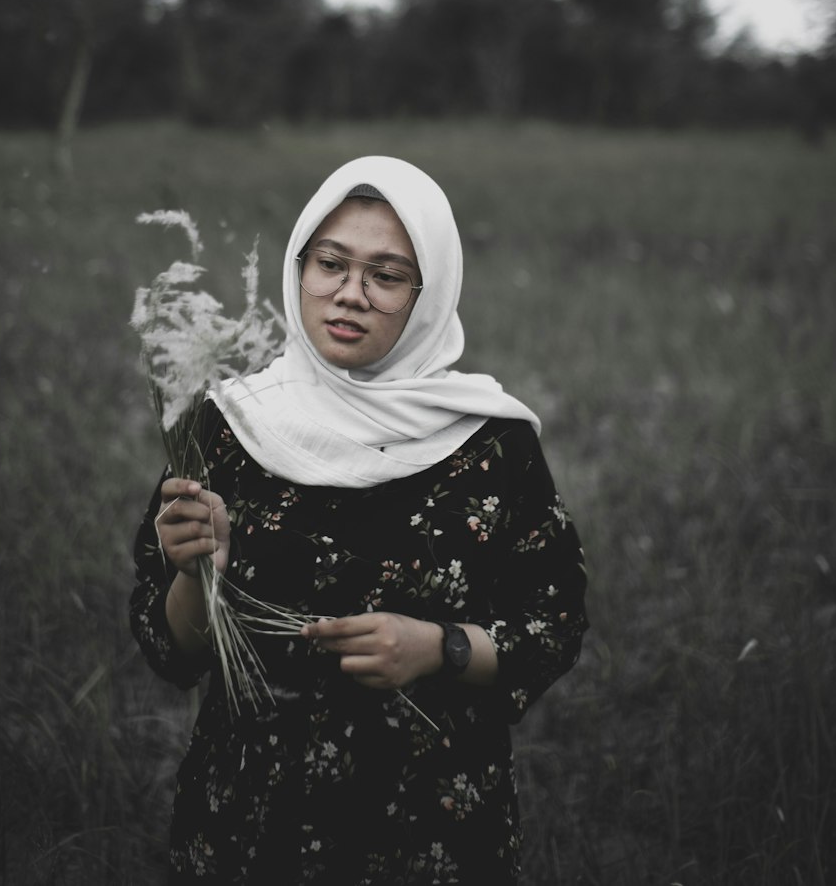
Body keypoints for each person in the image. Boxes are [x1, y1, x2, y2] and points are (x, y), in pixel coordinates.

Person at [131, 155, 587, 884]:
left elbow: (554, 622)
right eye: (331, 264)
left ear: (427, 294)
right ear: (298, 265)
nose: (350, 295)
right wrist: (192, 577)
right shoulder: (231, 425)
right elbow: (171, 650)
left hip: (428, 831)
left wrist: (439, 647)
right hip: (249, 827)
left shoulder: (490, 445)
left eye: (386, 275)